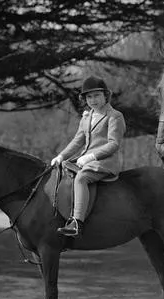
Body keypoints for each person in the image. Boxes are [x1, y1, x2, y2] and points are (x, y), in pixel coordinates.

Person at [51, 76, 126, 237]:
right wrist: (61, 156)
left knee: (81, 179)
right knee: (62, 172)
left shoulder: (115, 116)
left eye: (97, 95)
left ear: (106, 95)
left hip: (105, 162)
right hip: (86, 161)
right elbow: (77, 141)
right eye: (89, 97)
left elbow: (113, 144)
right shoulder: (86, 117)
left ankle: (77, 222)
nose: (93, 100)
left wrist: (91, 156)